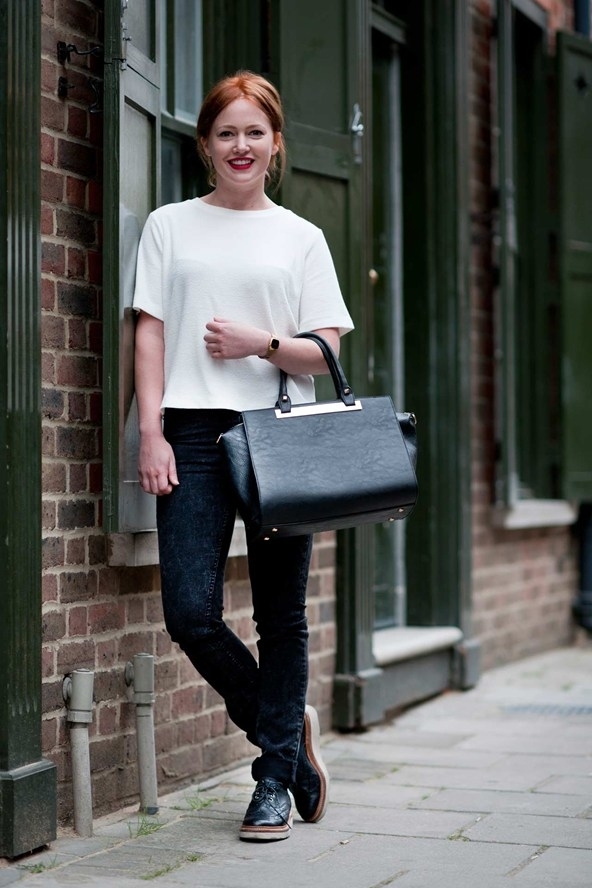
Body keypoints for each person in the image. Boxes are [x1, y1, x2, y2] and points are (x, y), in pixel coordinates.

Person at [133, 70, 354, 842]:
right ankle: (288, 735)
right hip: (190, 430)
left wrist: (257, 343)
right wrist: (151, 431)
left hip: (276, 434)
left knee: (280, 617)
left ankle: (270, 783)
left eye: (254, 132)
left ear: (275, 143)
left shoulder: (301, 238)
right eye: (226, 132)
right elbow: (151, 330)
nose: (240, 145)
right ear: (205, 145)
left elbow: (324, 351)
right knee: (190, 611)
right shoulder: (168, 225)